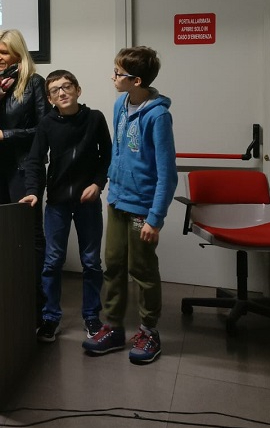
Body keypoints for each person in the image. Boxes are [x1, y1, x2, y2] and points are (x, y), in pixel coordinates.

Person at [82, 46, 177, 365]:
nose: (113, 77)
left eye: (118, 73)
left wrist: (155, 218)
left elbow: (167, 173)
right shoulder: (120, 105)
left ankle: (149, 332)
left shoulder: (158, 116)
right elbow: (120, 151)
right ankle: (113, 328)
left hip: (142, 209)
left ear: (136, 80)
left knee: (142, 270)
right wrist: (108, 183)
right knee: (113, 265)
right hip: (117, 201)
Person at [19, 70, 112, 343]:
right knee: (52, 261)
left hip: (88, 202)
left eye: (67, 86)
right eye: (55, 90)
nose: (62, 92)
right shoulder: (46, 124)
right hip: (57, 203)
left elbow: (108, 156)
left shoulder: (94, 118)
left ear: (77, 90)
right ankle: (50, 317)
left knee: (91, 262)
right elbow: (35, 160)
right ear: (50, 98)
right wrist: (32, 192)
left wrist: (98, 184)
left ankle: (92, 316)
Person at [0, 29, 48, 319]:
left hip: (23, 167)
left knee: (28, 234)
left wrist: (6, 135)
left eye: (3, 52)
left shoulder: (34, 82)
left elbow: (43, 129)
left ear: (18, 53)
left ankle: (35, 304)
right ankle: (3, 296)